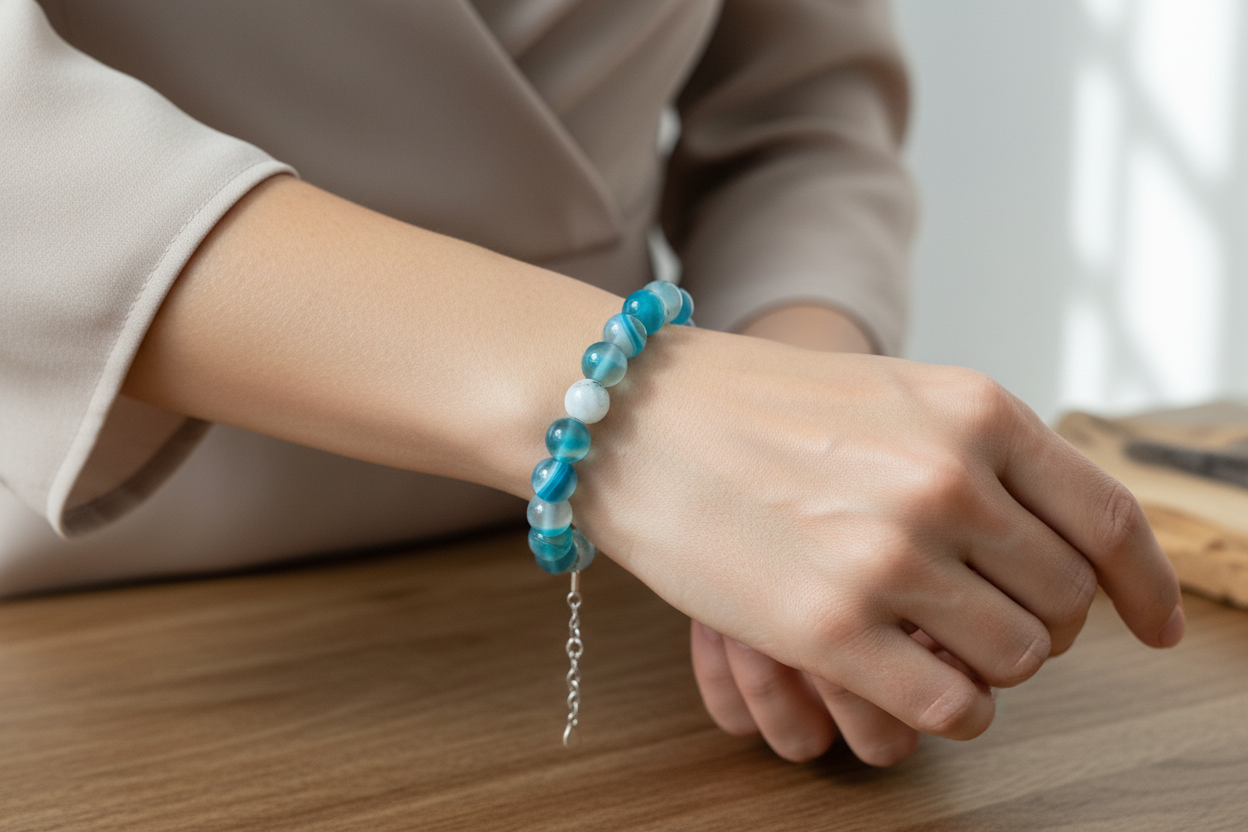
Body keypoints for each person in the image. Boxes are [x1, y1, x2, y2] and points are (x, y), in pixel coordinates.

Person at [0, 0, 1183, 767]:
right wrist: (638, 413)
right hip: (83, 634)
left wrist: (791, 423)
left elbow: (802, 106)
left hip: (599, 591)